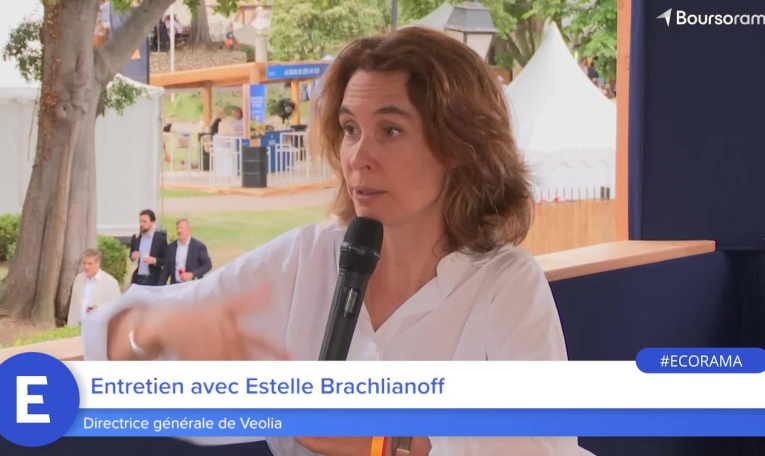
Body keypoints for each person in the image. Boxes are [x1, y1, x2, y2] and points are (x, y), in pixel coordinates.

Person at [83, 27, 593, 456]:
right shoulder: (302, 260)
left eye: (390, 131)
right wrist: (154, 331)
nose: (358, 157)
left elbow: (545, 444)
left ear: (458, 147)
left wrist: (386, 442)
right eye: (350, 129)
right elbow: (120, 342)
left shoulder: (505, 284)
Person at [66, 249, 121, 327]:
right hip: (77, 326)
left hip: (98, 327)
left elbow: (117, 308)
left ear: (98, 263)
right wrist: (70, 326)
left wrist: (99, 309)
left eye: (90, 264)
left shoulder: (111, 283)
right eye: (84, 263)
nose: (86, 267)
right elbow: (73, 305)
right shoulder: (79, 279)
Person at [159, 218, 212, 285]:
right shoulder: (171, 247)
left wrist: (192, 274)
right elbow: (166, 269)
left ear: (189, 229)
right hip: (175, 285)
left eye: (181, 228)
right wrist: (160, 287)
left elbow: (208, 265)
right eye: (177, 228)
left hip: (192, 286)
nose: (179, 231)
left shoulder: (198, 246)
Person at [129, 209, 167, 286]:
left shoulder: (160, 239)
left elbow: (166, 259)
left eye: (144, 222)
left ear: (152, 222)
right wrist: (133, 255)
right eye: (140, 221)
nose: (141, 224)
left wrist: (154, 261)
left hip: (153, 279)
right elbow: (131, 254)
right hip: (138, 279)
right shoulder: (136, 238)